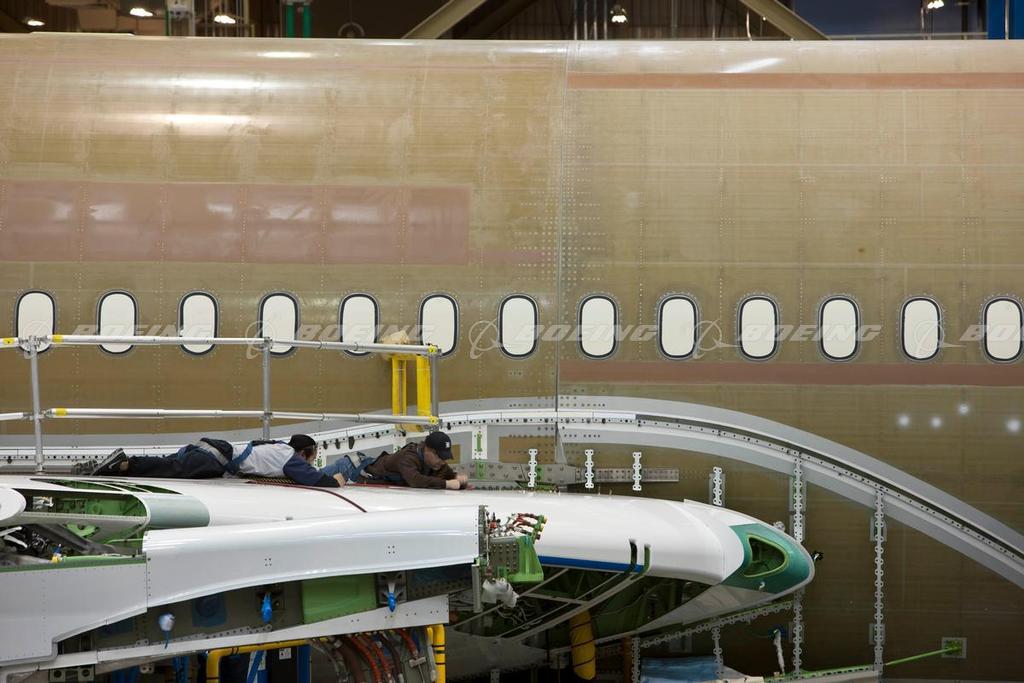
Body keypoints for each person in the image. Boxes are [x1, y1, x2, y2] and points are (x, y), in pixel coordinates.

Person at [83, 435, 345, 487]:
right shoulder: (291, 459)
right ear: (304, 452)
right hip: (214, 458)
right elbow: (311, 478)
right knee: (169, 470)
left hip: (209, 449)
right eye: (312, 457)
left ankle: (114, 470)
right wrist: (335, 482)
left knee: (166, 466)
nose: (310, 462)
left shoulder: (276, 446)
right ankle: (125, 464)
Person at [352, 431, 468, 490]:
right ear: (427, 450)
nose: (442, 462)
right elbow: (415, 480)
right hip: (360, 473)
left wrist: (457, 477)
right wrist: (446, 484)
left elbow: (447, 472)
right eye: (440, 457)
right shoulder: (408, 457)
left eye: (444, 458)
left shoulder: (436, 463)